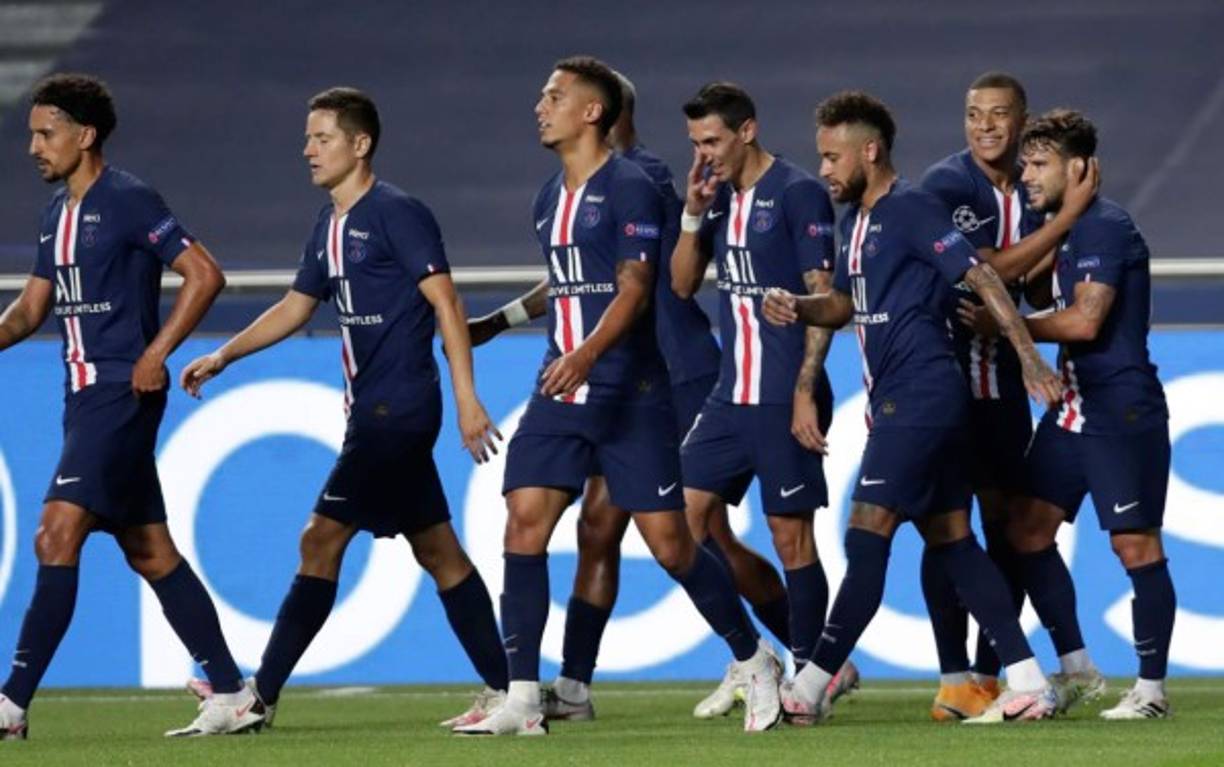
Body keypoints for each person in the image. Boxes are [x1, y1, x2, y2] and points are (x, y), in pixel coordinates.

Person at [454, 56, 780, 736]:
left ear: (593, 112)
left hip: (630, 390)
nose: (540, 105)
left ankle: (754, 658)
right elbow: (570, 283)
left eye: (555, 95)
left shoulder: (635, 184)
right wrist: (509, 324)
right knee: (524, 523)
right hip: (560, 388)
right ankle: (524, 695)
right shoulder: (548, 198)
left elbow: (634, 285)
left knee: (673, 542)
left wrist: (587, 353)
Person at [179, 86, 508, 727]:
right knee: (439, 553)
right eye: (307, 138)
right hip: (377, 414)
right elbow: (297, 307)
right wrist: (224, 355)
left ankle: (259, 698)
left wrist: (468, 399)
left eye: (322, 137)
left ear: (360, 145)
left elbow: (446, 301)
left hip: (398, 410)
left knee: (319, 538)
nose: (308, 149)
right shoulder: (327, 225)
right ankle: (510, 691)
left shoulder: (397, 213)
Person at [762, 90, 1063, 725]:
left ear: (869, 151)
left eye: (832, 156)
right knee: (953, 540)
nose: (824, 170)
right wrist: (801, 304)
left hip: (922, 397)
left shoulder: (913, 209)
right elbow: (845, 304)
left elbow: (979, 276)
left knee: (866, 531)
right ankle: (1030, 678)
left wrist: (1029, 356)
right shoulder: (863, 221)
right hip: (904, 399)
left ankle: (811, 684)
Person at [0, 73, 260, 739]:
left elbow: (205, 273)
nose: (33, 146)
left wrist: (158, 352)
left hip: (122, 392)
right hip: (81, 397)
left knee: (55, 531)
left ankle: (10, 704)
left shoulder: (129, 198)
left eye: (45, 132)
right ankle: (232, 692)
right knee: (150, 548)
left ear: (84, 136)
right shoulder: (54, 214)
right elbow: (31, 309)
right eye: (31, 132)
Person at [961, 109, 1176, 720]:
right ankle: (1076, 666)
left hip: (1120, 409)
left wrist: (1005, 328)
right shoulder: (1059, 227)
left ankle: (1152, 691)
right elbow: (998, 273)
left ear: (1078, 168)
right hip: (1073, 407)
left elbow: (1085, 321)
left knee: (1135, 547)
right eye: (1025, 163)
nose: (1026, 174)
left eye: (1039, 164)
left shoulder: (1108, 228)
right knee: (1024, 530)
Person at [917, 71, 1103, 719]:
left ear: (1021, 121)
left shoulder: (1030, 190)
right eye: (974, 114)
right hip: (944, 385)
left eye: (999, 115)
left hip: (999, 392)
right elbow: (986, 271)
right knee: (946, 527)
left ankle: (987, 671)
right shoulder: (946, 186)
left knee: (1007, 530)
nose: (985, 126)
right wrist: (1070, 218)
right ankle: (952, 676)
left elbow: (1033, 287)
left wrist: (1060, 226)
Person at [671, 81, 859, 714]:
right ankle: (758, 656)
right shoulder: (718, 197)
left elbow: (825, 300)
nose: (705, 154)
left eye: (714, 140)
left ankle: (811, 680)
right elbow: (680, 284)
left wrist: (807, 390)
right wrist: (694, 211)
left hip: (785, 396)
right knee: (681, 525)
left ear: (747, 130)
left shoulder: (798, 192)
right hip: (731, 397)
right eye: (696, 143)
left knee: (791, 540)